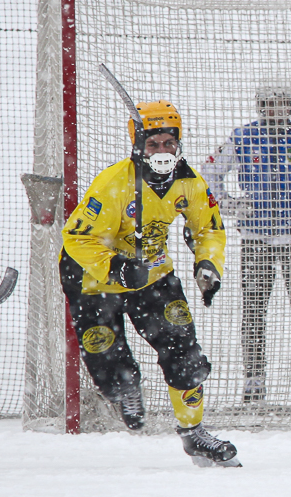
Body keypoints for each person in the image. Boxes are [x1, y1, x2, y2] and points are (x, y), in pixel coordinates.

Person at [59, 100, 239, 466]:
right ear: (138, 145)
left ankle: (194, 434)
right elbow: (76, 238)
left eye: (168, 143)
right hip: (93, 277)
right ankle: (124, 388)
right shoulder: (113, 183)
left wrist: (208, 263)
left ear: (178, 144)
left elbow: (208, 228)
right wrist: (116, 268)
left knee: (184, 351)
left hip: (153, 274)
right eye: (153, 144)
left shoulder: (189, 182)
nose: (161, 151)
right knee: (106, 354)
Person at [200, 85, 291, 406]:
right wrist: (230, 204)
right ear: (259, 107)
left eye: (281, 105)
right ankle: (254, 380)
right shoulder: (242, 138)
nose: (274, 111)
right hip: (256, 240)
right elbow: (209, 172)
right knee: (253, 312)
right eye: (267, 104)